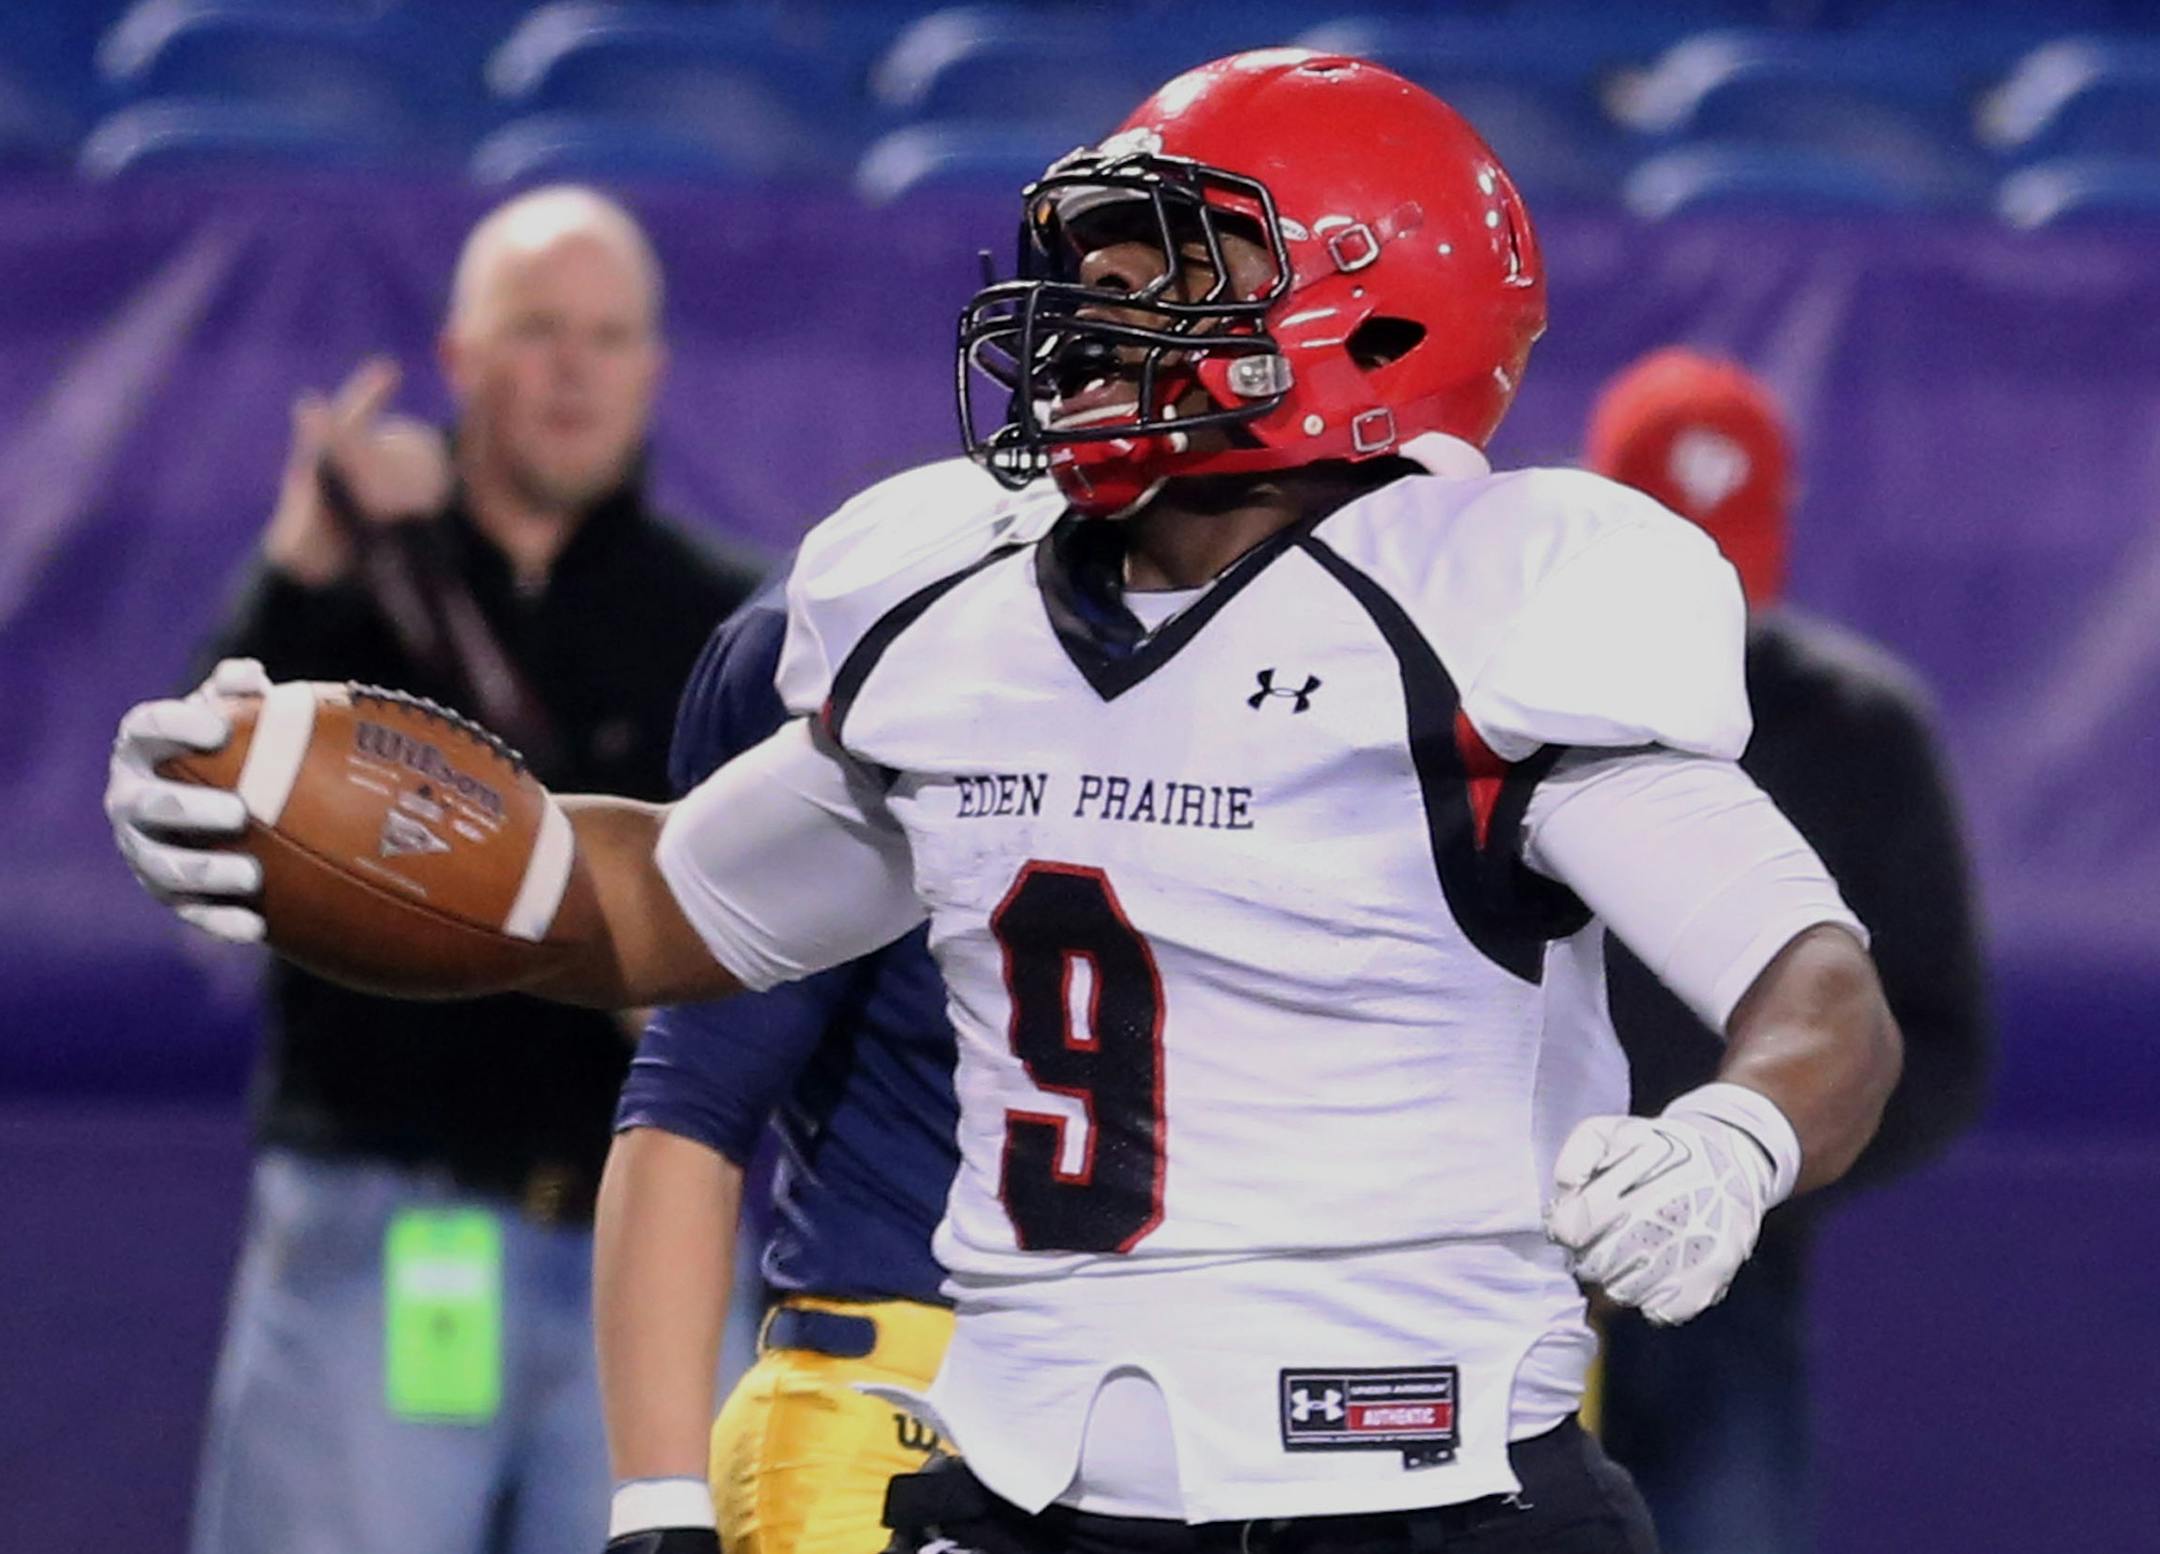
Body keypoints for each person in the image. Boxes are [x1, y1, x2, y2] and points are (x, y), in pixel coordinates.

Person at [111, 54, 1904, 1554]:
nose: (1084, 324)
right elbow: (649, 909)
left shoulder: (1490, 609)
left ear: (1378, 309)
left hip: (1421, 1486)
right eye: (1093, 275)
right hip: (1018, 1485)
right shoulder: (953, 601)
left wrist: (1735, 1136)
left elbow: (1818, 987)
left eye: (1159, 279)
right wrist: (287, 799)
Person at [176, 186, 761, 1554]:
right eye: (537, 329)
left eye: (608, 336)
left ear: (655, 371)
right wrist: (297, 570)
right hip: (400, 1224)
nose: (573, 367)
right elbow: (188, 803)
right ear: (459, 360)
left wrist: (699, 982)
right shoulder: (351, 586)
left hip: (651, 1239)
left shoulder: (730, 623)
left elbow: (800, 920)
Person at [1582, 348, 1990, 1554]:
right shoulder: (1486, 706)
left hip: (1731, 1279)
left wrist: (1738, 1177)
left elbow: (1936, 1044)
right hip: (1490, 1266)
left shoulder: (1858, 729)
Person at [594, 570, 966, 1554]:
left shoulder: (1356, 623)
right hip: (912, 1399)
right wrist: (659, 1508)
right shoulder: (903, 623)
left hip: (1214, 1405)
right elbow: (691, 1098)